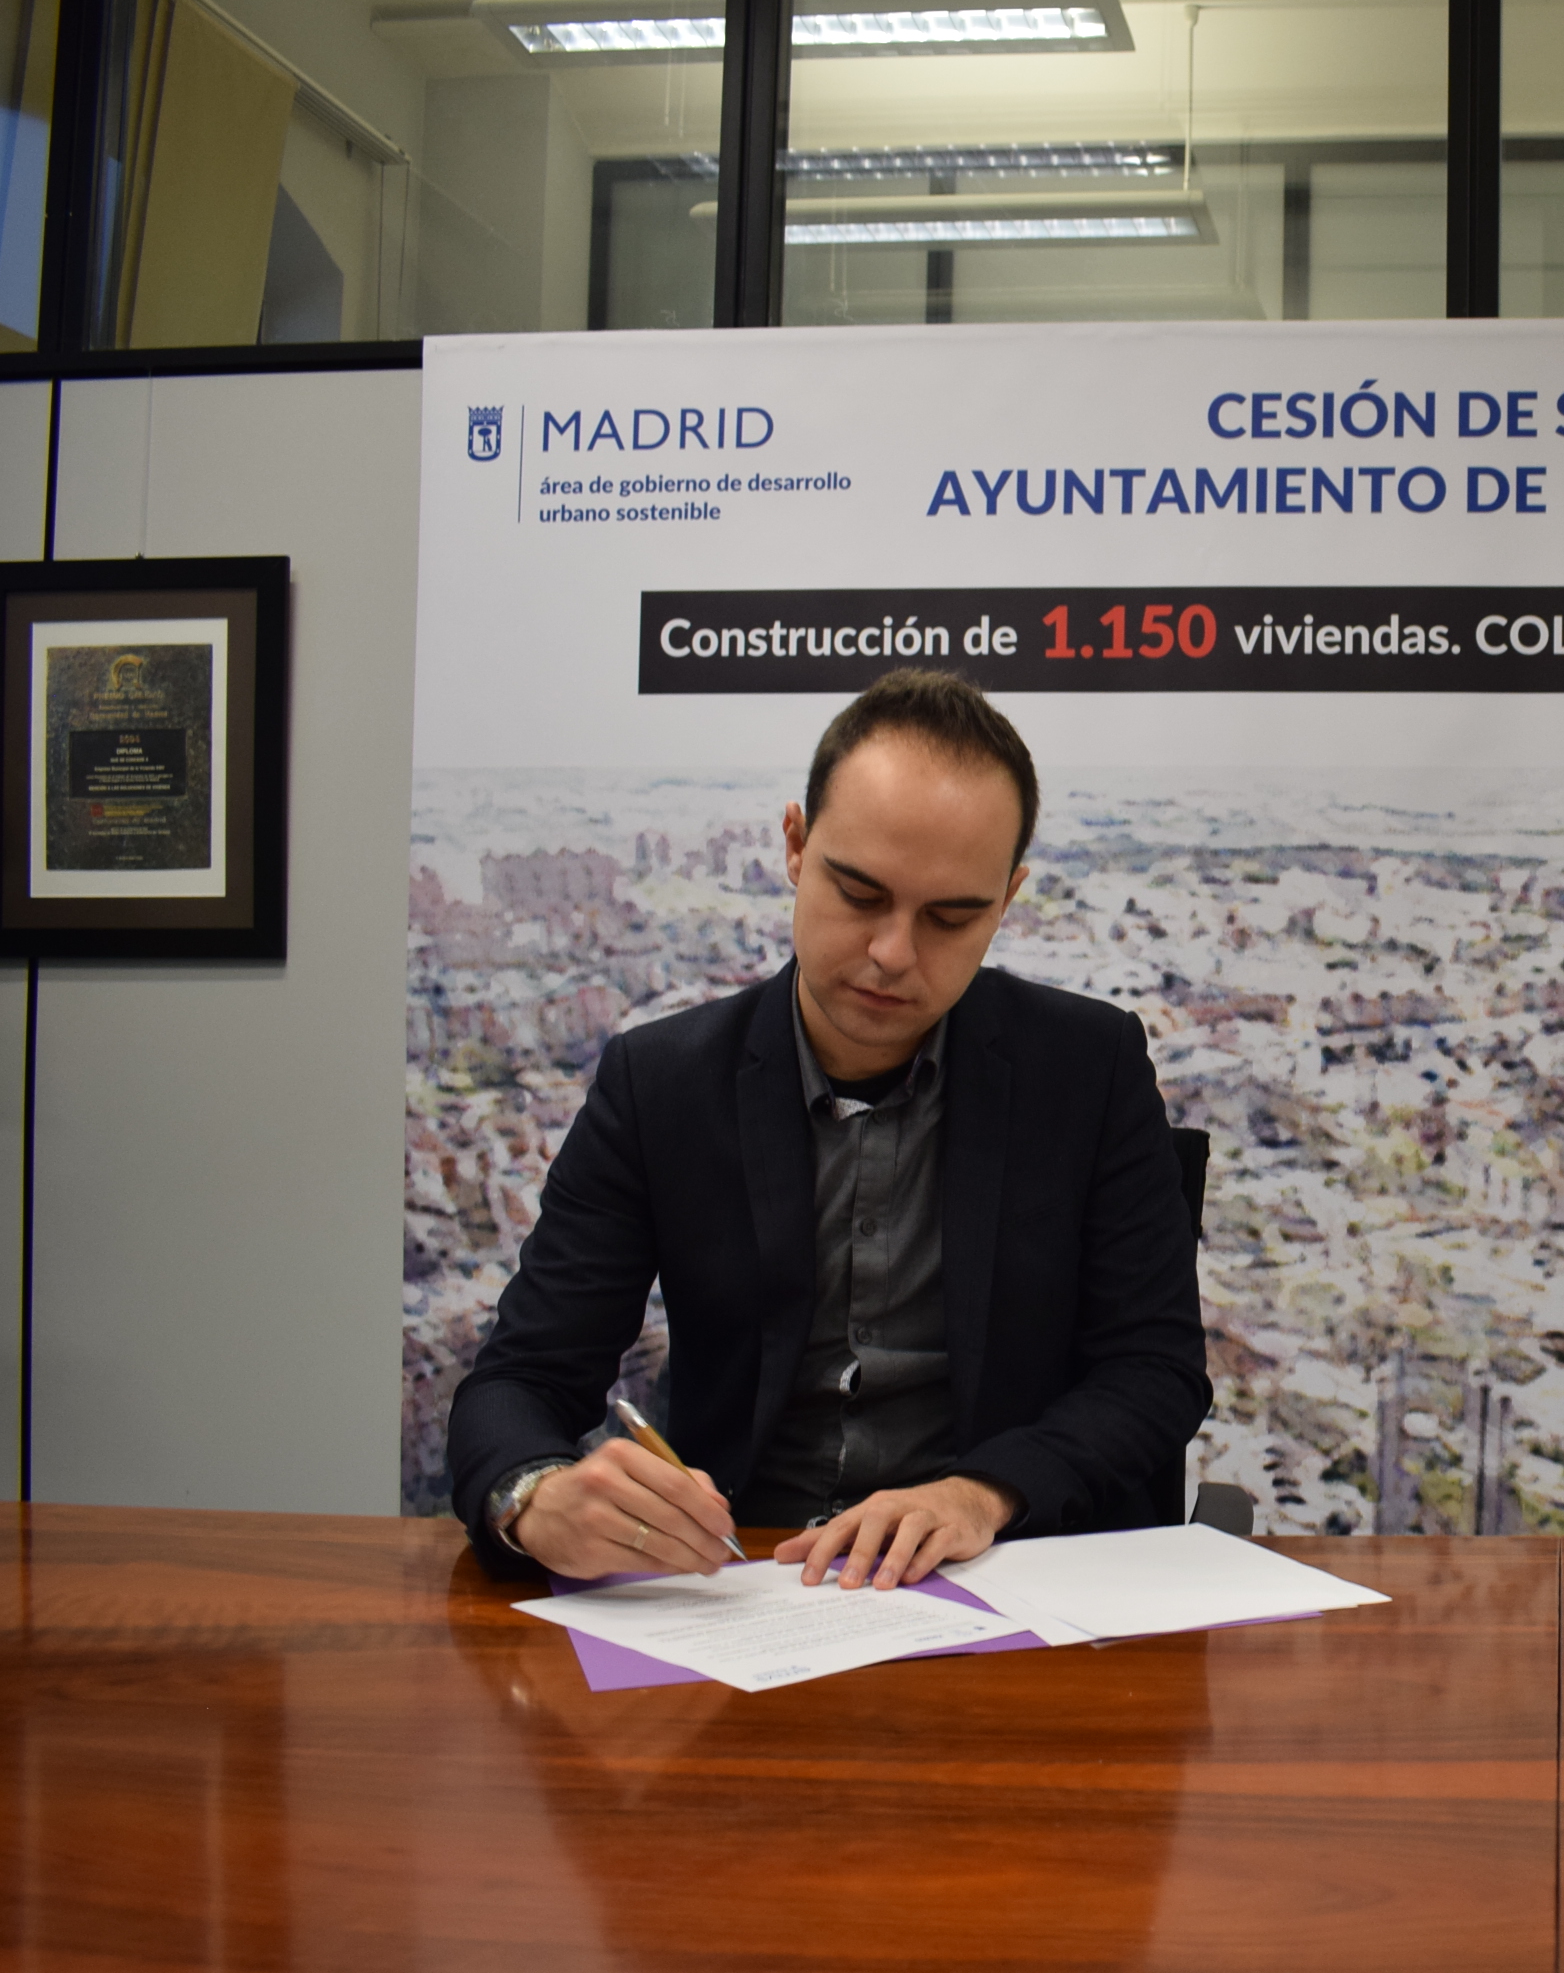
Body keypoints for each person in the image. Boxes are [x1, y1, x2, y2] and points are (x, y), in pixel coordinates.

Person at [449, 670, 1209, 1590]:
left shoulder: (1088, 1069)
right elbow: (521, 1380)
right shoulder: (663, 1083)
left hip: (1000, 1577)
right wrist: (533, 1495)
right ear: (796, 846)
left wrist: (984, 1494)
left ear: (1007, 900)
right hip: (741, 1581)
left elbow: (1154, 1369)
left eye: (951, 917)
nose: (893, 953)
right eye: (859, 894)